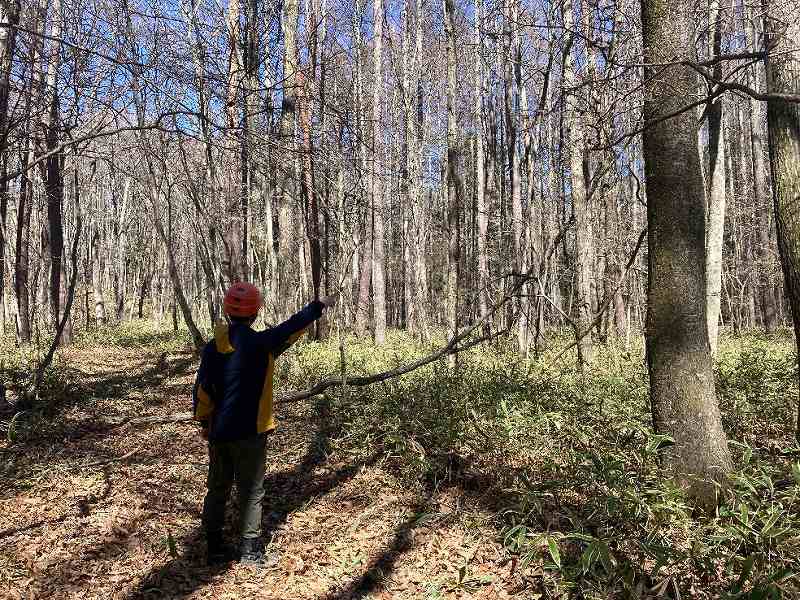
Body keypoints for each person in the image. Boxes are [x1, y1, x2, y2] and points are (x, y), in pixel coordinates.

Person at [192, 282, 337, 566]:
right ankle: (250, 552)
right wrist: (320, 306)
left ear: (227, 310)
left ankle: (213, 547)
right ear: (256, 312)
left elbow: (202, 391)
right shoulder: (263, 343)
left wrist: (205, 424)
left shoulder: (213, 347)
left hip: (219, 431)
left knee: (218, 487)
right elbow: (293, 326)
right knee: (251, 491)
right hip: (251, 433)